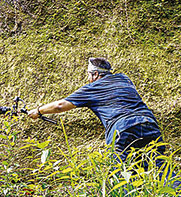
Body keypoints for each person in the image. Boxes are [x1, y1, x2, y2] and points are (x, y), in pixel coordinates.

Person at [28, 57, 164, 160]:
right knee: (159, 167)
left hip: (123, 128)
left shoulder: (92, 89)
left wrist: (38, 111)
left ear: (95, 74)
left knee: (122, 172)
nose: (88, 78)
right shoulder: (124, 79)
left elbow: (60, 106)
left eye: (88, 74)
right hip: (148, 123)